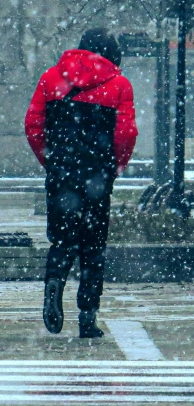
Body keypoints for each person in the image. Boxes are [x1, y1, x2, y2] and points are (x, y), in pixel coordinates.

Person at [25, 28, 138, 338]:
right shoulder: (118, 85)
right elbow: (126, 134)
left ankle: (54, 282)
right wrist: (115, 165)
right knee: (93, 247)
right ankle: (87, 317)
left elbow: (32, 124)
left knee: (62, 240)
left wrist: (50, 160)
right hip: (97, 179)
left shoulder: (52, 79)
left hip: (61, 175)